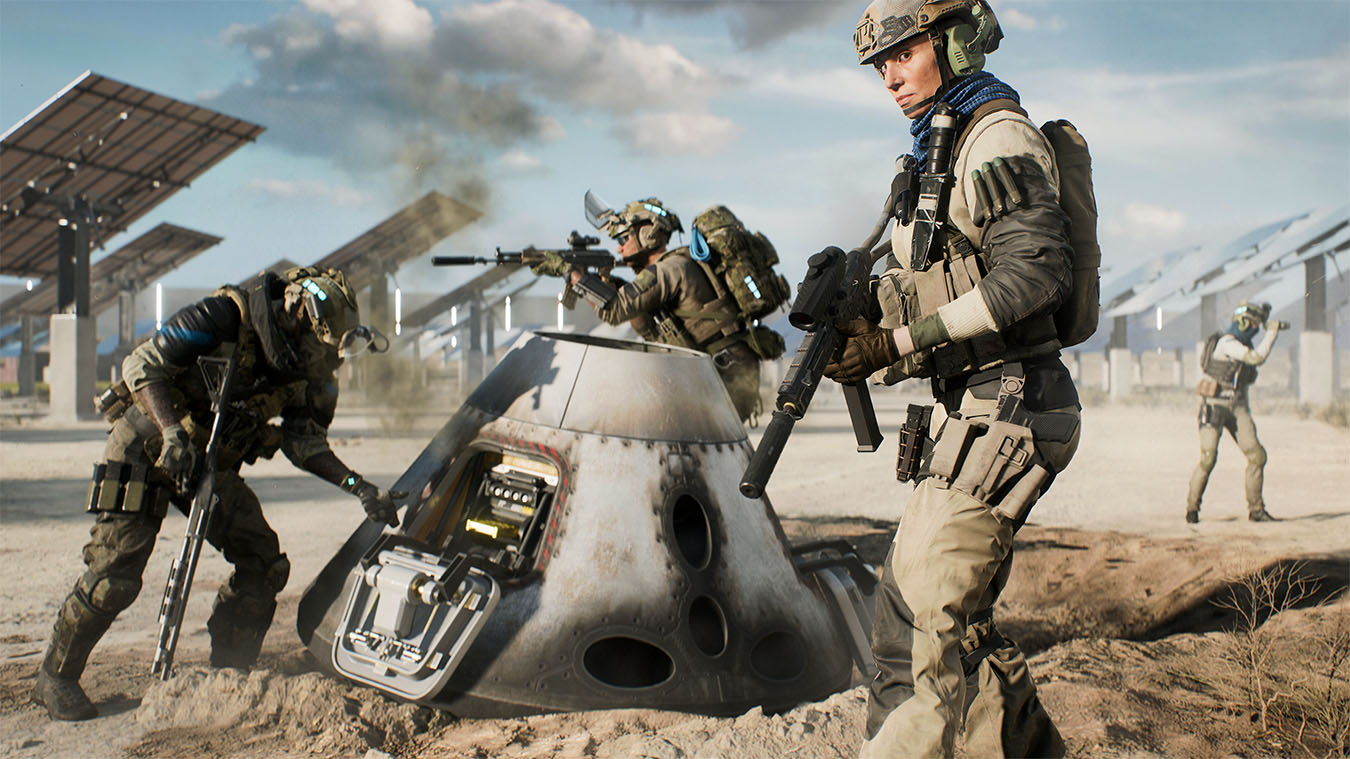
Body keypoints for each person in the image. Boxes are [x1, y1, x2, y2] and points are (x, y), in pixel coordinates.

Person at [826, 1, 1083, 756]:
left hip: (1011, 406)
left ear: (951, 43)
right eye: (880, 62)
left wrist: (897, 337)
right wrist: (866, 322)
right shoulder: (939, 147)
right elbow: (942, 282)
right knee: (924, 620)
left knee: (921, 643)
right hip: (975, 409)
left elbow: (1035, 277)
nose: (888, 75)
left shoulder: (995, 136)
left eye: (902, 52)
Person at [34, 266, 403, 721]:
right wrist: (172, 431)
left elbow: (305, 442)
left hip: (209, 465)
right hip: (149, 447)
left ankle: (229, 670)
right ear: (298, 317)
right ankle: (55, 677)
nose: (328, 363)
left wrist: (358, 486)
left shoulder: (317, 369)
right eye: (320, 348)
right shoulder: (224, 316)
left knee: (263, 564)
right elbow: (141, 367)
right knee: (115, 574)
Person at [534, 198, 782, 424]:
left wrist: (570, 272)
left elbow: (613, 309)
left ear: (648, 234)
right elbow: (644, 326)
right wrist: (602, 283)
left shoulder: (669, 270)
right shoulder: (681, 266)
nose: (619, 249)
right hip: (727, 376)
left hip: (722, 380)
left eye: (624, 239)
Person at [1186, 301, 1285, 523]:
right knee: (1208, 459)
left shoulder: (1240, 344)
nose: (1255, 328)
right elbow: (1256, 357)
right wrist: (1271, 334)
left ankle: (1256, 509)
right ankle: (1192, 509)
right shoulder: (1227, 344)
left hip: (1237, 406)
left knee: (1257, 456)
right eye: (1254, 324)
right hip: (1215, 406)